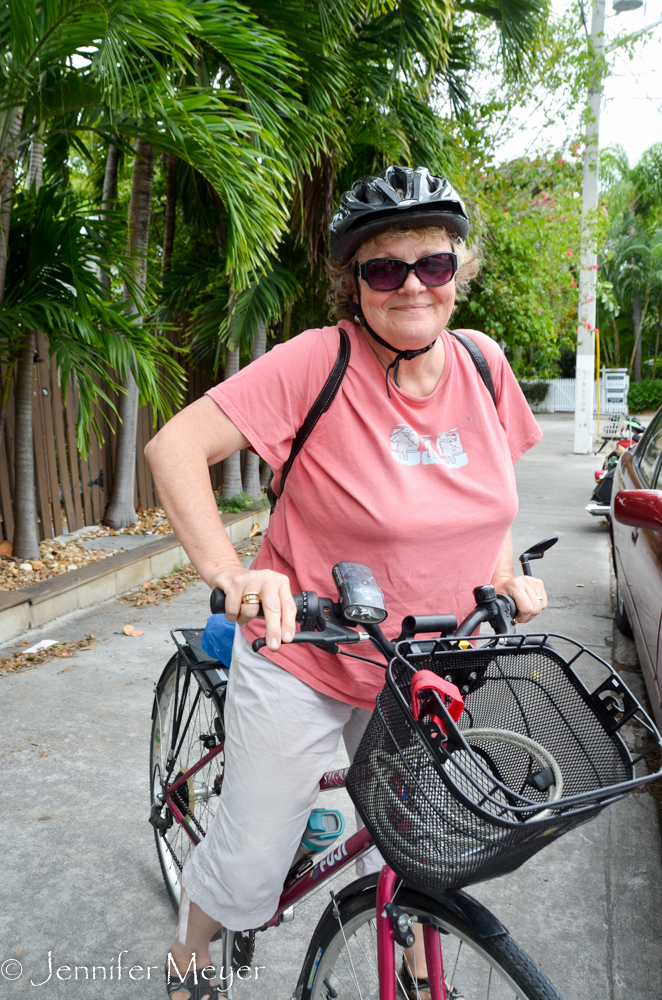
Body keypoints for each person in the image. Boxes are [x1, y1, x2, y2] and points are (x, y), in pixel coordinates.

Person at [145, 165, 547, 1000]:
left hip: (419, 663)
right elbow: (173, 447)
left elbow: (492, 492)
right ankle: (188, 960)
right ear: (354, 283)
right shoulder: (317, 361)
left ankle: (414, 952)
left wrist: (504, 571)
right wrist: (230, 573)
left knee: (421, 837)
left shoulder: (483, 363)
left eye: (433, 263)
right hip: (308, 650)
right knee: (252, 862)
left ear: (459, 271)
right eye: (385, 268)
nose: (412, 285)